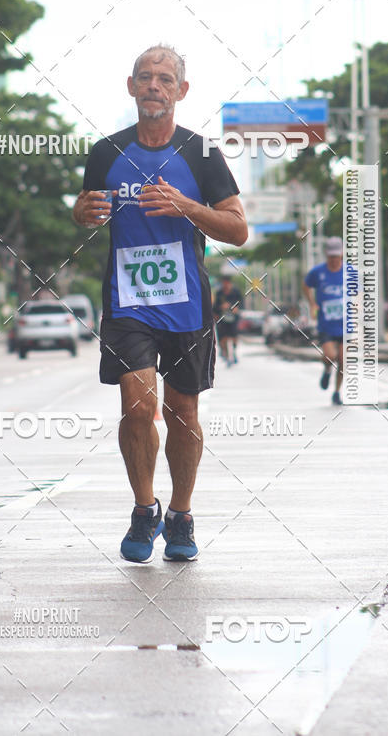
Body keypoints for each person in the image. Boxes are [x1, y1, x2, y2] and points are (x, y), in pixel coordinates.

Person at [73, 44, 247, 563]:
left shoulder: (201, 153)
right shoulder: (105, 152)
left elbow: (238, 229)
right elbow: (86, 209)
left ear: (181, 91)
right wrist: (82, 211)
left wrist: (187, 206)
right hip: (127, 302)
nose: (154, 85)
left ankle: (181, 515)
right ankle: (144, 508)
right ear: (131, 87)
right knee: (137, 404)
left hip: (186, 303)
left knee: (183, 411)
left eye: (165, 79)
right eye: (145, 77)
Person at [303, 236, 344, 405]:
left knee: (343, 361)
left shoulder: (350, 272)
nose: (334, 259)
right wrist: (312, 304)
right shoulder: (317, 272)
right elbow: (306, 286)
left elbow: (359, 293)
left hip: (345, 325)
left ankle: (337, 392)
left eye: (336, 256)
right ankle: (327, 370)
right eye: (331, 256)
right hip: (326, 324)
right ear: (326, 255)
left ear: (342, 254)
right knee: (330, 356)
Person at [212, 274, 243, 366]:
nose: (225, 285)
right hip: (222, 318)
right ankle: (226, 355)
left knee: (234, 336)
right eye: (224, 283)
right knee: (223, 338)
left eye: (227, 283)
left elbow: (241, 303)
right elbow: (215, 307)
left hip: (234, 318)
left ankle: (234, 352)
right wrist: (219, 309)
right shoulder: (219, 293)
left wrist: (235, 308)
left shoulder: (236, 292)